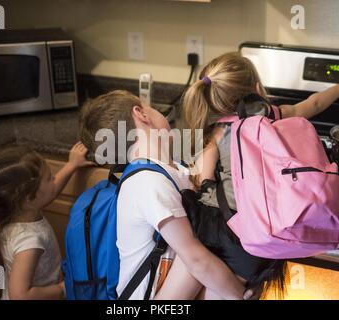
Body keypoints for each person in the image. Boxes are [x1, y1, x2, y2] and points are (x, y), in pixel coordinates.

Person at [181, 52, 339, 297]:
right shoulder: (274, 114)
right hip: (260, 239)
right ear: (257, 88)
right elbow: (313, 105)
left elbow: (202, 180)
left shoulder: (217, 133)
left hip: (220, 231)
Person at [78, 90, 256, 300]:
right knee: (205, 245)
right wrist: (239, 295)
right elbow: (196, 260)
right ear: (141, 114)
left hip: (176, 287)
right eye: (151, 108)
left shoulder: (174, 170)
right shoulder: (146, 183)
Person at [0, 143, 94, 300]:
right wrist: (61, 289)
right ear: (29, 198)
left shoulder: (12, 215)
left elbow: (51, 191)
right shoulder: (29, 241)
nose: (54, 179)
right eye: (50, 178)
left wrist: (72, 165)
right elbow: (20, 295)